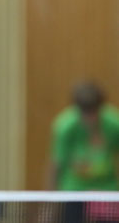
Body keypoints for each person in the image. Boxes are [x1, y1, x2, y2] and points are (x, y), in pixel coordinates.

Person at [50, 82, 119, 222]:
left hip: (107, 191)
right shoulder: (65, 127)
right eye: (85, 112)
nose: (90, 118)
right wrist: (50, 202)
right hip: (74, 192)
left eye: (94, 111)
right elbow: (55, 166)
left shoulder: (114, 124)